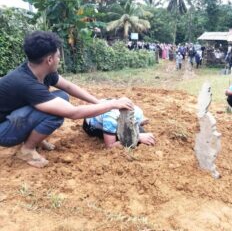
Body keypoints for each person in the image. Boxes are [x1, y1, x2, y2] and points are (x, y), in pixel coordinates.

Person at [0, 31, 134, 168]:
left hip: (13, 117)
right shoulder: (26, 82)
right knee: (56, 114)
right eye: (58, 56)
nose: (60, 59)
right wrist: (112, 104)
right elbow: (73, 113)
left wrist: (98, 102)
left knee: (62, 96)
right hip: (3, 131)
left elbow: (69, 87)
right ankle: (27, 149)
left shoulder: (40, 70)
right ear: (49, 60)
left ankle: (34, 139)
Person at [83, 103, 155, 148]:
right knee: (125, 139)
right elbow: (110, 146)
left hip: (104, 108)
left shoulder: (137, 112)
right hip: (90, 125)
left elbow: (137, 121)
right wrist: (137, 138)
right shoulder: (110, 119)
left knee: (139, 131)